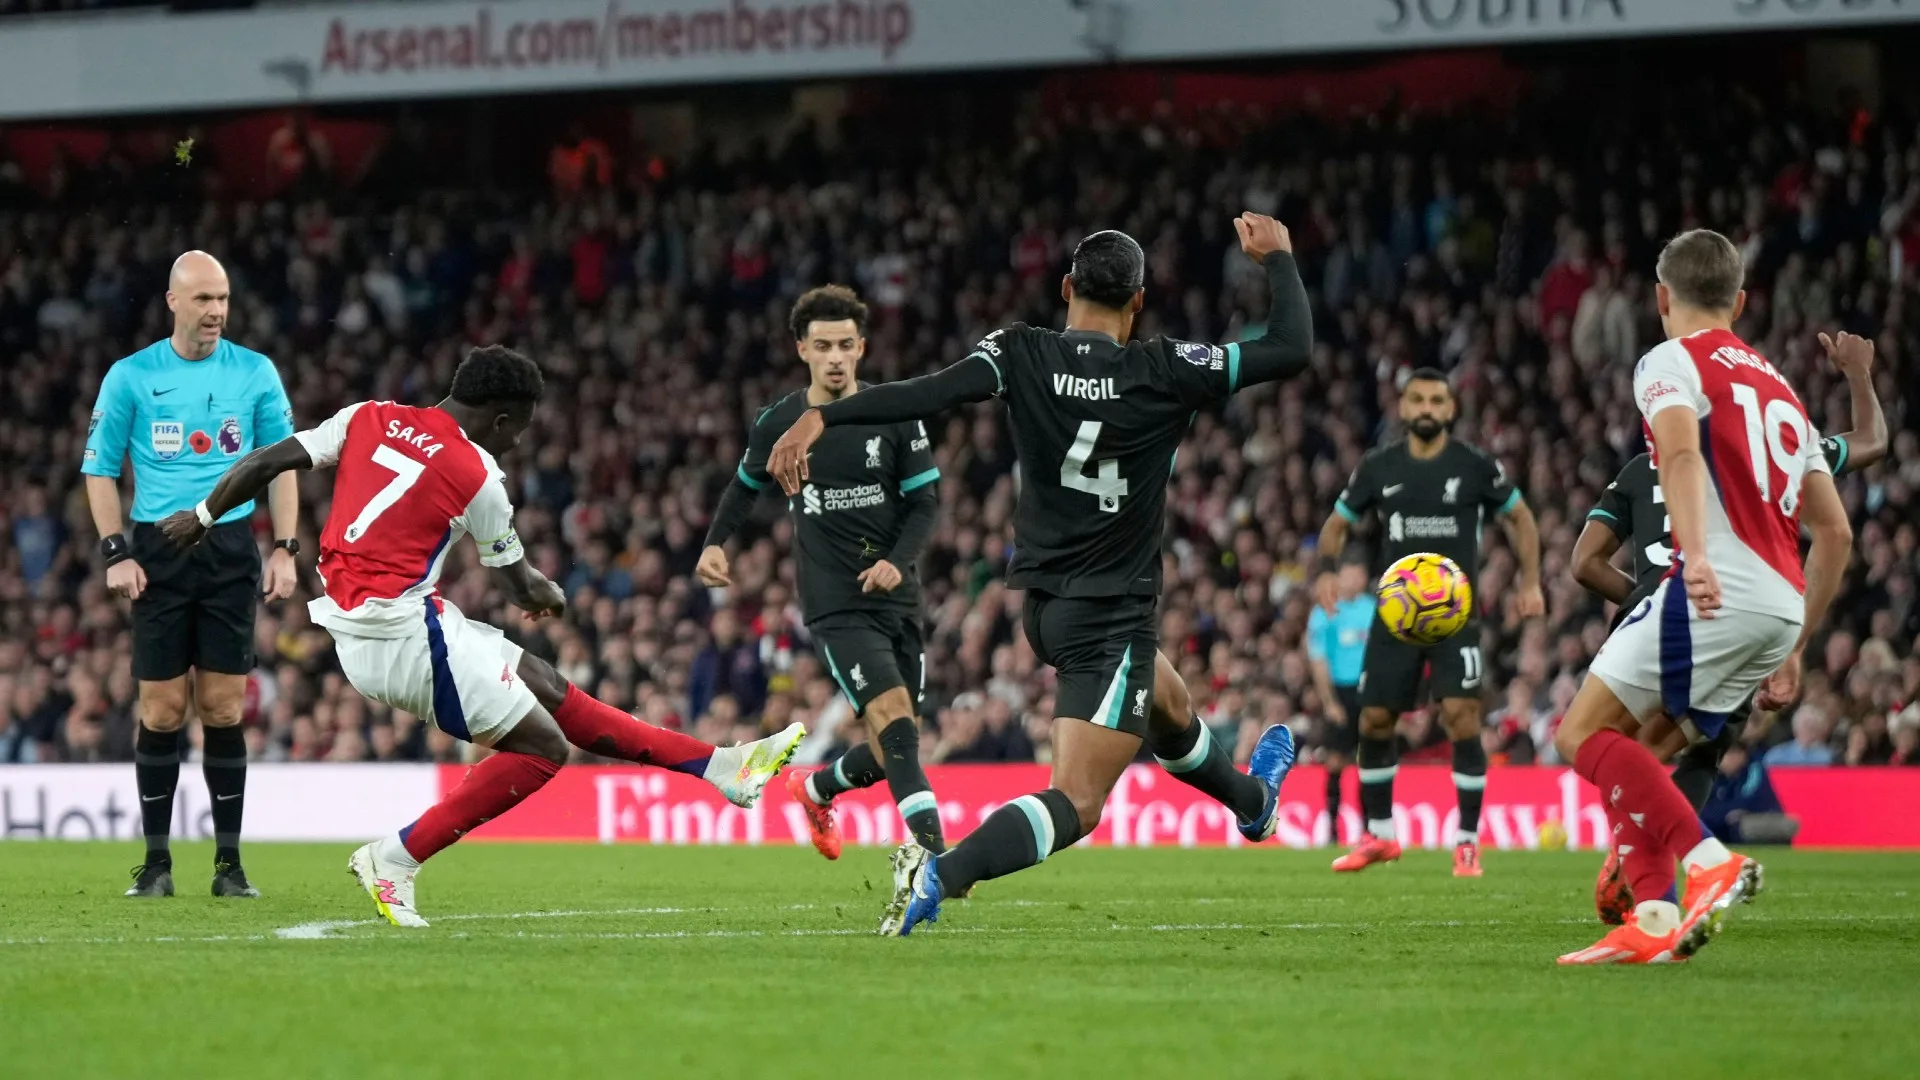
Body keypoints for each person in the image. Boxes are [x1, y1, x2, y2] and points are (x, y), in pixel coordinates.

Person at [767, 214, 1311, 935]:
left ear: (1065, 288)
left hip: (1045, 608)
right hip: (1108, 612)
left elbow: (930, 392)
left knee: (1168, 703)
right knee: (1078, 802)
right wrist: (1278, 261)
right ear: (1139, 302)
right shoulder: (1168, 367)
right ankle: (945, 873)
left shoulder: (1019, 352)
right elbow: (1290, 347)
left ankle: (1251, 801)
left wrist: (825, 419)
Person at [157, 346, 805, 928]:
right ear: (501, 418)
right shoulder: (477, 474)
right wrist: (546, 595)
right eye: (521, 426)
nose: (520, 440)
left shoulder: (367, 415)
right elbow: (519, 583)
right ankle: (395, 858)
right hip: (399, 637)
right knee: (544, 749)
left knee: (549, 688)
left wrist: (205, 515)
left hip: (394, 619)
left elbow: (269, 460)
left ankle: (722, 767)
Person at [1553, 229, 1851, 965]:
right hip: (1778, 603)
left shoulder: (1669, 360)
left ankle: (1707, 861)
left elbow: (1679, 452)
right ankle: (1653, 919)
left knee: (1579, 735)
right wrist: (1798, 644)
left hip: (1715, 586)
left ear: (1661, 298)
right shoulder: (1781, 388)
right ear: (1741, 302)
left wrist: (1693, 559)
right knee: (1645, 750)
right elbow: (1835, 532)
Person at [1571, 329, 1884, 924]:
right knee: (1696, 757)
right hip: (1751, 616)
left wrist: (1643, 595)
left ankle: (1667, 866)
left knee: (1600, 742)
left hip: (1668, 618)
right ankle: (1654, 884)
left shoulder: (1643, 468)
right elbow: (1871, 443)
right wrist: (1858, 375)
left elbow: (1583, 562)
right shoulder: (1776, 452)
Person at [698, 284, 947, 860]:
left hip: (899, 596)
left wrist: (896, 561)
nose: (834, 356)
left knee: (895, 746)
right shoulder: (780, 422)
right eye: (822, 345)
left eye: (845, 344)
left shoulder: (894, 412)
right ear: (802, 350)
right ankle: (939, 859)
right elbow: (744, 486)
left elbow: (926, 503)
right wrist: (716, 543)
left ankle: (814, 789)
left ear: (861, 348)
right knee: (893, 721)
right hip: (836, 601)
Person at [82, 250, 299, 900]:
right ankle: (155, 865)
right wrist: (116, 551)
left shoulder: (256, 373)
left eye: (224, 299)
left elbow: (283, 463)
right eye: (204, 299)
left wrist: (286, 546)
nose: (216, 312)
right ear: (173, 301)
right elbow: (98, 467)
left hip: (231, 546)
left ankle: (229, 867)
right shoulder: (130, 376)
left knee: (224, 706)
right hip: (158, 549)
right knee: (163, 708)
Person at [1311, 368, 1546, 877]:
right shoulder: (1379, 467)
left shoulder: (1474, 466)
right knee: (1373, 721)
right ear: (1403, 407)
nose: (1426, 408)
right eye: (1416, 399)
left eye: (1436, 400)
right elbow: (1336, 524)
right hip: (1396, 617)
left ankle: (1466, 841)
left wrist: (1530, 581)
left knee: (1462, 718)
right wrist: (1327, 570)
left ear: (1450, 409)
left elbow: (1521, 517)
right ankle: (1380, 835)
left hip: (1455, 616)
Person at [1306, 559, 1374, 844]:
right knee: (1335, 761)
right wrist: (1329, 701)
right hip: (1341, 692)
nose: (1353, 580)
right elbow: (1318, 660)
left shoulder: (1374, 608)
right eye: (1348, 574)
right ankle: (1333, 828)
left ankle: (1370, 830)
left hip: (1369, 691)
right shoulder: (1326, 611)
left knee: (1368, 762)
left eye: (1358, 574)